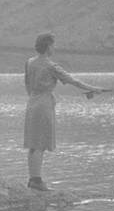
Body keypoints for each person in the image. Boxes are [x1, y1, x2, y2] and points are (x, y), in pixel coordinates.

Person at [23, 32, 108, 190]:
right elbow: (73, 81)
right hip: (44, 104)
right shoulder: (50, 66)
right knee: (40, 143)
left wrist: (34, 97)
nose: (54, 48)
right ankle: (36, 181)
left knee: (32, 143)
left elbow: (27, 83)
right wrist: (94, 89)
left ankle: (32, 179)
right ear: (48, 46)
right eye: (53, 45)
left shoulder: (29, 62)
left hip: (32, 102)